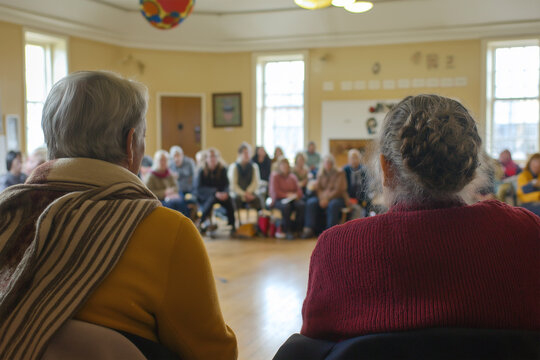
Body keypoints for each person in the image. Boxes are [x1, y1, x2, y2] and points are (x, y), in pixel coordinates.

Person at [0, 71, 237, 359]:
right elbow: (212, 353)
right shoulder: (163, 229)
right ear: (130, 143)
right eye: (144, 137)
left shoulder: (7, 210)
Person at [300, 94, 539, 343]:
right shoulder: (526, 233)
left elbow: (313, 346)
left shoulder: (336, 249)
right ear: (471, 167)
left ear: (386, 169)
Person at [302, 154, 348, 238]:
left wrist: (326, 199)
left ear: (333, 163)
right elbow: (318, 189)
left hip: (337, 197)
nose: (328, 164)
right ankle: (309, 229)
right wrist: (321, 199)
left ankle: (330, 231)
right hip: (322, 198)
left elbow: (338, 190)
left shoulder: (339, 173)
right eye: (326, 162)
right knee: (311, 202)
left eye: (329, 162)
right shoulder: (320, 173)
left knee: (333, 204)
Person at [194, 148, 236, 235]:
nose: (212, 159)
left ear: (218, 158)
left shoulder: (222, 169)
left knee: (230, 200)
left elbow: (226, 185)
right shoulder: (202, 171)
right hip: (206, 195)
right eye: (210, 157)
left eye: (214, 156)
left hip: (220, 194)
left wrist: (225, 193)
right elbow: (199, 188)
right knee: (211, 200)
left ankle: (232, 224)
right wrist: (215, 192)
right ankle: (201, 222)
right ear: (206, 159)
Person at [144, 150, 190, 217]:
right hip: (159, 199)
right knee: (171, 205)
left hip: (171, 196)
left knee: (181, 201)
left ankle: (187, 223)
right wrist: (164, 193)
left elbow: (176, 186)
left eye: (165, 160)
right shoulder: (151, 176)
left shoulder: (169, 173)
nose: (163, 162)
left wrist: (172, 192)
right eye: (161, 160)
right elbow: (148, 193)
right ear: (156, 161)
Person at [269, 157, 305, 239]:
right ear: (279, 166)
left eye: (286, 165)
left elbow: (299, 191)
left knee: (301, 205)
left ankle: (298, 229)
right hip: (279, 200)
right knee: (286, 207)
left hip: (292, 199)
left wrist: (295, 195)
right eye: (283, 165)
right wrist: (287, 195)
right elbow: (275, 192)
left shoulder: (292, 177)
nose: (285, 167)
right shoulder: (275, 176)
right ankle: (287, 230)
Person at [228, 142, 262, 211]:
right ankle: (238, 220)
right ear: (239, 154)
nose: (247, 155)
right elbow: (233, 185)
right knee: (235, 200)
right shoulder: (234, 167)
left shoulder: (254, 166)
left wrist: (248, 192)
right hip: (239, 193)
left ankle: (259, 220)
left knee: (258, 199)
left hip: (250, 193)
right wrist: (244, 194)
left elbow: (255, 182)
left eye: (248, 153)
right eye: (244, 153)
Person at [343, 149, 370, 218]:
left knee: (368, 203)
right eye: (352, 158)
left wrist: (361, 200)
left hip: (361, 197)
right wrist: (348, 199)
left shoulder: (364, 169)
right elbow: (342, 188)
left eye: (356, 158)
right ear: (348, 159)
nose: (354, 160)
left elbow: (366, 186)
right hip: (348, 198)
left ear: (359, 159)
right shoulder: (344, 170)